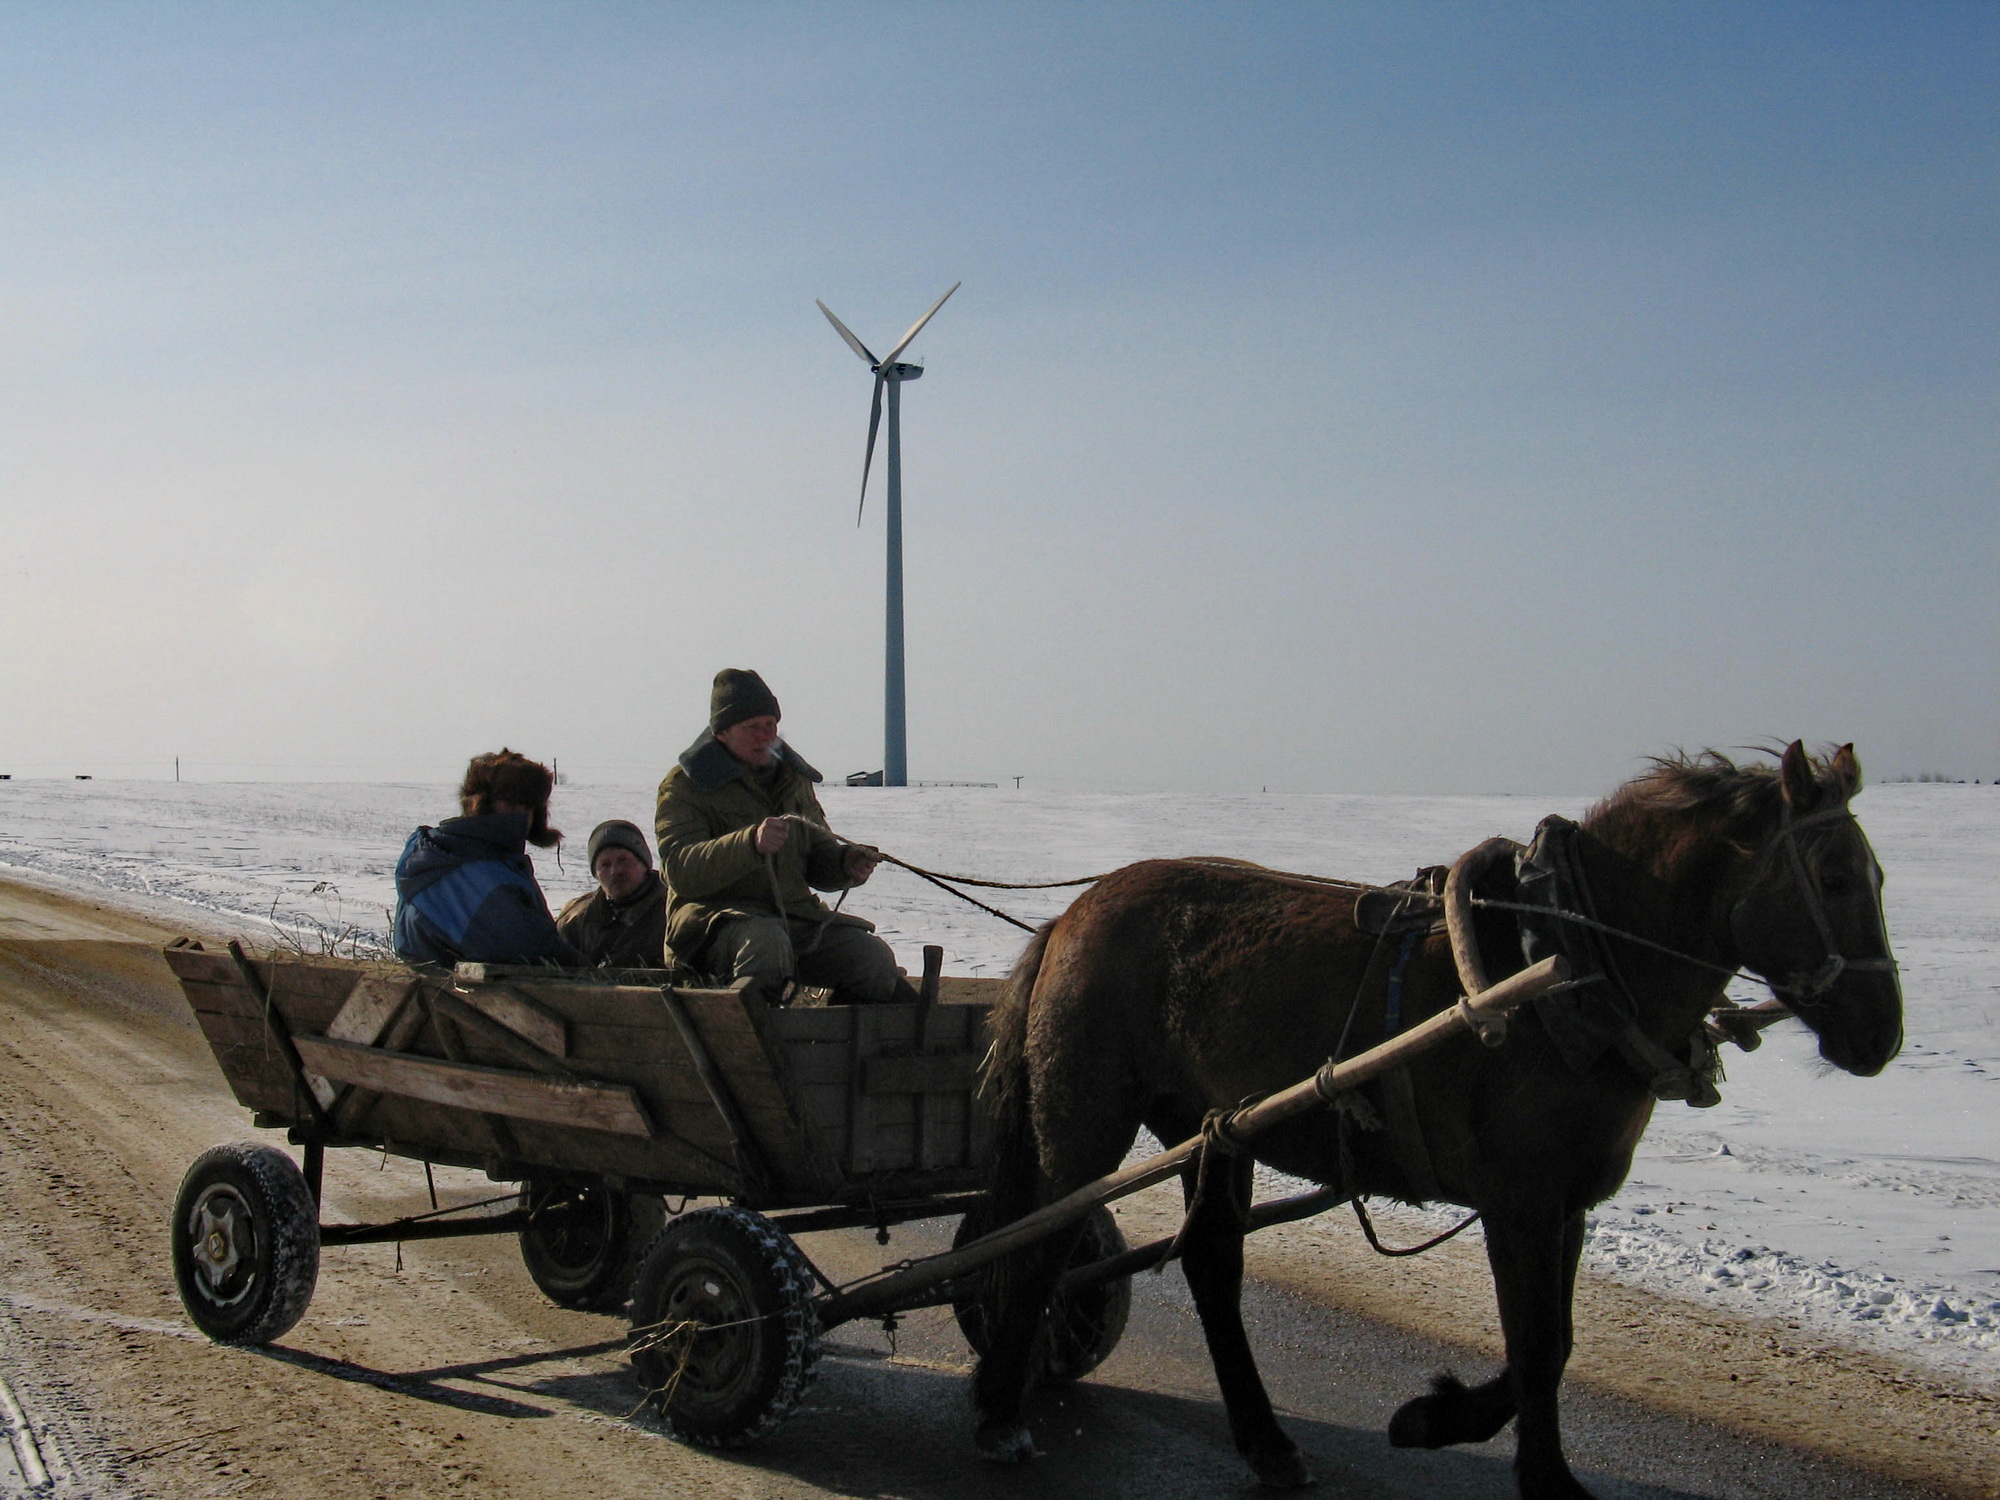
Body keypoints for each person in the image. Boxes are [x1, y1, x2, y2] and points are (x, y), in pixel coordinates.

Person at [655, 668, 904, 1004]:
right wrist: (748, 845)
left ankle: (837, 1046)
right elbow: (681, 870)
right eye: (752, 727)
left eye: (769, 725)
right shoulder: (686, 785)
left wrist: (846, 863)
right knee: (766, 945)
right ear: (722, 733)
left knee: (872, 959)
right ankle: (753, 1047)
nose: (764, 736)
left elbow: (818, 858)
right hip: (712, 925)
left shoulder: (792, 780)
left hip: (793, 920)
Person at [393, 749, 585, 968]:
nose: (521, 815)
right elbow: (532, 949)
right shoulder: (476, 873)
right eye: (511, 803)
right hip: (469, 996)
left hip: (442, 991)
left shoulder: (444, 857)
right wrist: (591, 976)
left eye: (529, 806)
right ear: (482, 804)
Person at [555, 819, 669, 970]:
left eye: (623, 860)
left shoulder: (671, 911)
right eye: (605, 865)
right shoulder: (575, 920)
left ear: (644, 864)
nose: (615, 871)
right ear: (595, 873)